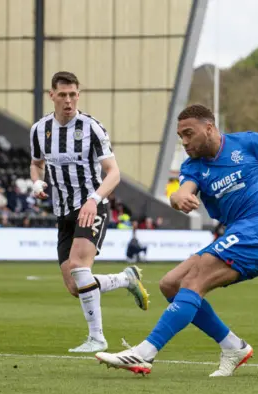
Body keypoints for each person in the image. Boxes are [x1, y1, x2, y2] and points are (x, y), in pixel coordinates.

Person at [96, 104, 258, 376]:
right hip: (238, 233)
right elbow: (182, 190)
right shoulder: (193, 166)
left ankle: (144, 353)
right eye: (180, 136)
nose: (184, 142)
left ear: (209, 128)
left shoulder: (251, 143)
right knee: (170, 285)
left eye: (188, 134)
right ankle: (233, 346)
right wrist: (176, 197)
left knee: (194, 282)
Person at [29, 71, 149, 353]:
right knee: (75, 286)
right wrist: (36, 182)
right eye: (63, 95)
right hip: (62, 210)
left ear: (78, 95)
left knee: (80, 269)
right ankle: (125, 279)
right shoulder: (39, 130)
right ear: (52, 96)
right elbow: (36, 163)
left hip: (91, 206)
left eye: (73, 95)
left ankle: (97, 338)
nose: (69, 101)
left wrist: (94, 199)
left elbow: (114, 173)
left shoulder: (92, 128)